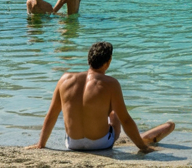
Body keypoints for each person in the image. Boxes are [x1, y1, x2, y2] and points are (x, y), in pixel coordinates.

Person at [31, 41, 175, 153]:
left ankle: (139, 136)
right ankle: (141, 139)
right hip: (101, 144)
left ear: (89, 60)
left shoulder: (64, 80)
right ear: (108, 62)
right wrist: (142, 148)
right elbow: (125, 120)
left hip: (72, 144)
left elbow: (51, 116)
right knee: (114, 113)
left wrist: (41, 145)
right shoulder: (111, 84)